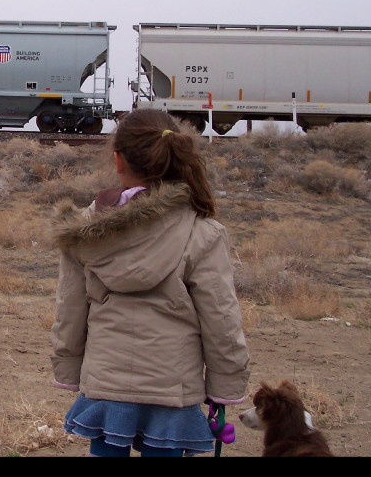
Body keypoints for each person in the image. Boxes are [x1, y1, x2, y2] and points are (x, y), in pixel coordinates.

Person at [50, 108, 250, 457]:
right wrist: (224, 387)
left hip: (106, 384)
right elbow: (221, 319)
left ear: (118, 160)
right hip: (172, 390)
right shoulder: (202, 231)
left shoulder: (82, 230)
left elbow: (70, 309)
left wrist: (69, 368)